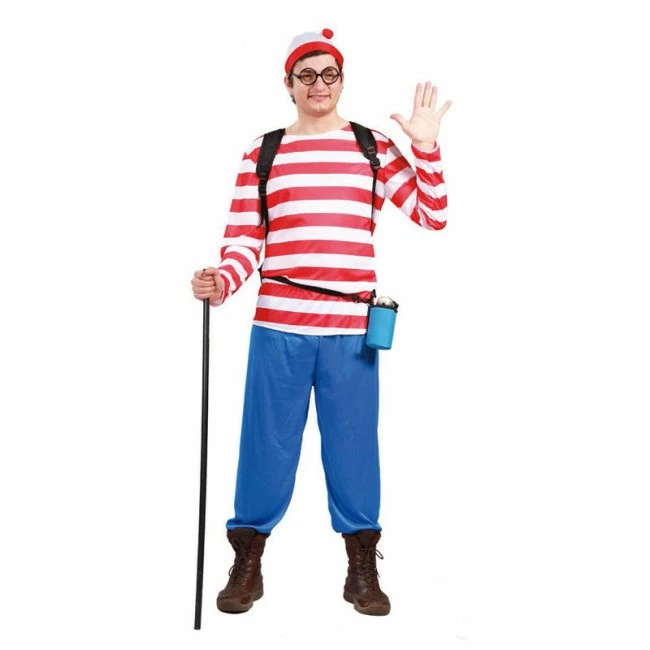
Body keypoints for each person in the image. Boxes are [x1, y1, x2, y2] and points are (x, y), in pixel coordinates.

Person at [191, 28, 450, 616]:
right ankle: (247, 563)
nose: (318, 85)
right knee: (265, 445)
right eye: (305, 75)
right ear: (288, 84)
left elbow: (433, 215)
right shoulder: (263, 152)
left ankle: (362, 569)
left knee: (354, 449)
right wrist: (222, 281)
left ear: (342, 80)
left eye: (328, 74)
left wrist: (426, 147)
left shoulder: (372, 147)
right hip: (278, 326)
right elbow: (244, 239)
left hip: (351, 332)